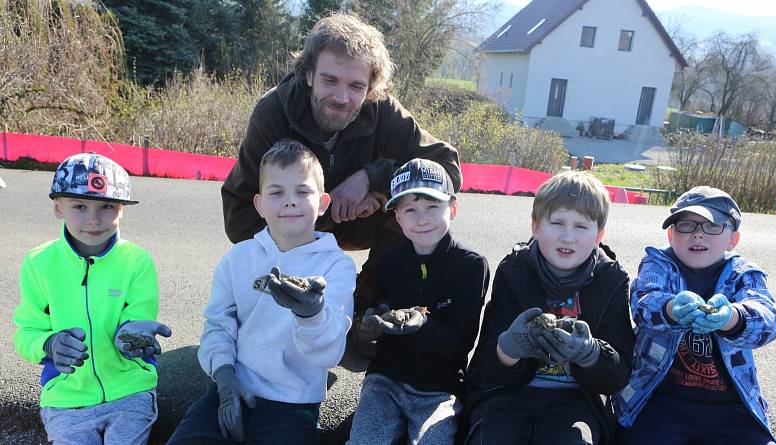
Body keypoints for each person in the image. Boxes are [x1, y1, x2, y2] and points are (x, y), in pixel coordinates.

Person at [220, 12, 461, 321]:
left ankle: (368, 306)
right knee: (276, 310)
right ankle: (280, 294)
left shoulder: (384, 112)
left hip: (358, 222)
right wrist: (313, 217)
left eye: (356, 86)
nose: (341, 97)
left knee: (420, 204)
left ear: (371, 88)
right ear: (308, 75)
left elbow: (446, 168)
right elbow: (239, 217)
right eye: (329, 80)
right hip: (294, 220)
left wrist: (374, 179)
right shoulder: (273, 113)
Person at [167, 139, 357, 444]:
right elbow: (218, 325)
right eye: (277, 192)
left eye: (302, 191)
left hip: (294, 405)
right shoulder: (238, 258)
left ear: (323, 203)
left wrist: (311, 315)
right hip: (229, 391)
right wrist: (224, 377)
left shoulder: (338, 267)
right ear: (259, 204)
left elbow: (329, 354)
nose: (290, 201)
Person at [12, 152, 172, 445]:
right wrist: (48, 344)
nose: (93, 219)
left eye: (107, 206)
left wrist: (132, 338)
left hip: (130, 391)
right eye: (79, 206)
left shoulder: (137, 262)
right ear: (58, 208)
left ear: (121, 209)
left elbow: (136, 320)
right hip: (66, 398)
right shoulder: (38, 263)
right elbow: (26, 334)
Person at [465, 171, 634, 445]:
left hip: (577, 401)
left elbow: (619, 375)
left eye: (581, 226)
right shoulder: (514, 270)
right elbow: (484, 365)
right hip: (507, 393)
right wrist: (509, 346)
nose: (568, 237)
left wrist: (589, 352)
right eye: (557, 222)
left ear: (598, 235)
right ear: (536, 226)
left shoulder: (611, 279)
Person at [615, 186, 776, 445]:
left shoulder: (744, 273)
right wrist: (670, 309)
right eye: (686, 225)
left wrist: (733, 318)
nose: (698, 235)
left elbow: (769, 319)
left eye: (712, 227)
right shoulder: (658, 264)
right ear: (671, 234)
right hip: (661, 401)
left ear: (732, 239)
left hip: (731, 408)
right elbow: (642, 301)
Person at [346, 159, 489, 444]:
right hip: (384, 379)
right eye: (410, 209)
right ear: (397, 218)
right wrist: (368, 329)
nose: (422, 219)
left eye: (432, 207)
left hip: (440, 387)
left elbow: (462, 343)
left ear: (453, 208)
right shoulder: (387, 261)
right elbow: (371, 319)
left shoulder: (472, 266)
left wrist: (422, 325)